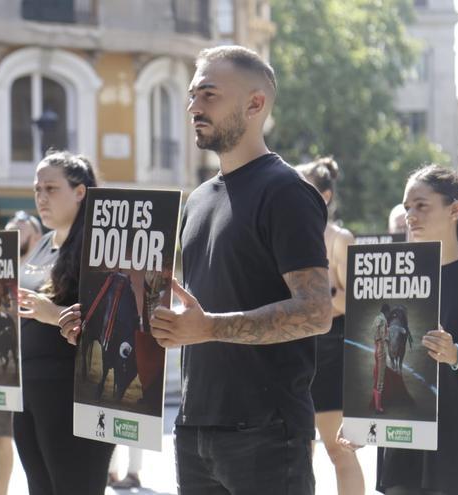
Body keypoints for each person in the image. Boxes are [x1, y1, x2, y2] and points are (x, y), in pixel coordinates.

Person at [143, 45, 332, 494]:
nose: (192, 107)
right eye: (191, 96)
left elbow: (315, 311)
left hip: (266, 432)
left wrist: (209, 328)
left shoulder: (287, 192)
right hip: (193, 429)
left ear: (254, 104)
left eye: (208, 94)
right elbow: (193, 312)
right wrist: (98, 327)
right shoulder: (199, 199)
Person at [339, 165, 458, 495]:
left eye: (421, 205)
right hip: (404, 456)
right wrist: (362, 419)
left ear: (454, 210)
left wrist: (456, 355)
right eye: (407, 207)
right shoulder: (393, 277)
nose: (411, 215)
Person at [12, 151, 114, 495]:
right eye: (38, 188)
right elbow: (27, 308)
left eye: (51, 188)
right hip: (29, 391)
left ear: (80, 191)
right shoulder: (42, 243)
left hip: (73, 392)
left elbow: (117, 323)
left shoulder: (99, 245)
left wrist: (52, 314)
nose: (41, 197)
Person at [295, 157, 364, 495]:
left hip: (332, 349)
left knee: (338, 447)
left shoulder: (340, 239)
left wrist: (319, 297)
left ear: (322, 196)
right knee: (297, 452)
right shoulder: (287, 234)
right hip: (294, 346)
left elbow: (356, 302)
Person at [0, 211, 43, 495]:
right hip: (0, 366)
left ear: (38, 235)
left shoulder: (48, 271)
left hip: (36, 366)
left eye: (21, 228)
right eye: (9, 230)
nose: (13, 234)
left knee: (37, 443)